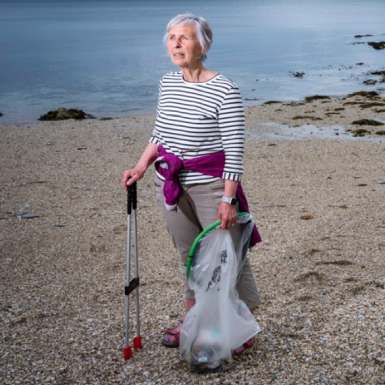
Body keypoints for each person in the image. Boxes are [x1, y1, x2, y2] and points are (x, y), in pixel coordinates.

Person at [121, 13, 261, 354]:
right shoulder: (168, 83)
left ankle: (238, 325)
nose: (177, 43)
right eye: (172, 38)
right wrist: (140, 166)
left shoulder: (224, 89)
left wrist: (228, 199)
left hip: (211, 187)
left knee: (224, 256)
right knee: (190, 256)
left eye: (185, 37)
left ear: (204, 44)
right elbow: (160, 133)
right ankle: (193, 319)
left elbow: (234, 151)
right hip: (169, 182)